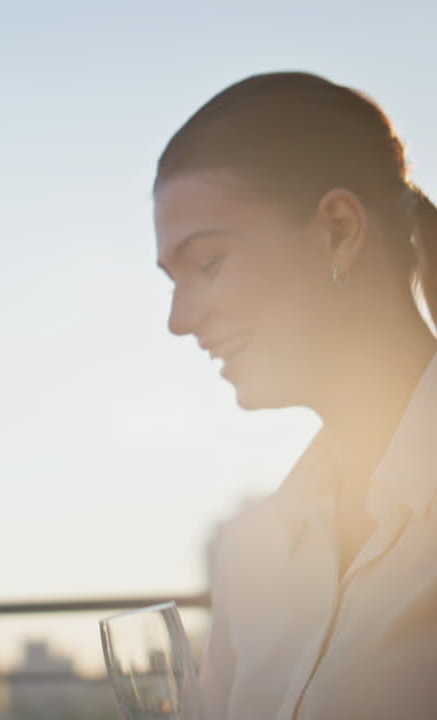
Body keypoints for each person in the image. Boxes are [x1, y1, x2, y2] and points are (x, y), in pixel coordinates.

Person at [154, 72, 437, 719]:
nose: (178, 319)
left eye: (207, 265)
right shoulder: (254, 550)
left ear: (338, 230)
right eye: (171, 280)